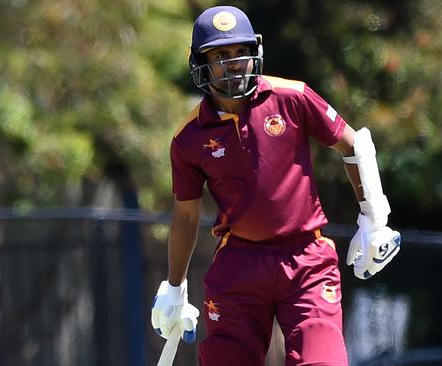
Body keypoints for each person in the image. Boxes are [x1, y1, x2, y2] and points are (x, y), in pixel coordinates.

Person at [151, 5, 401, 366]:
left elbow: (354, 144)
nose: (234, 63)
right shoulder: (189, 137)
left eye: (240, 52)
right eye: (221, 55)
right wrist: (175, 289)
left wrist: (374, 216)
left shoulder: (293, 97)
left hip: (306, 260)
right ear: (199, 62)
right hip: (239, 264)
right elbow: (186, 215)